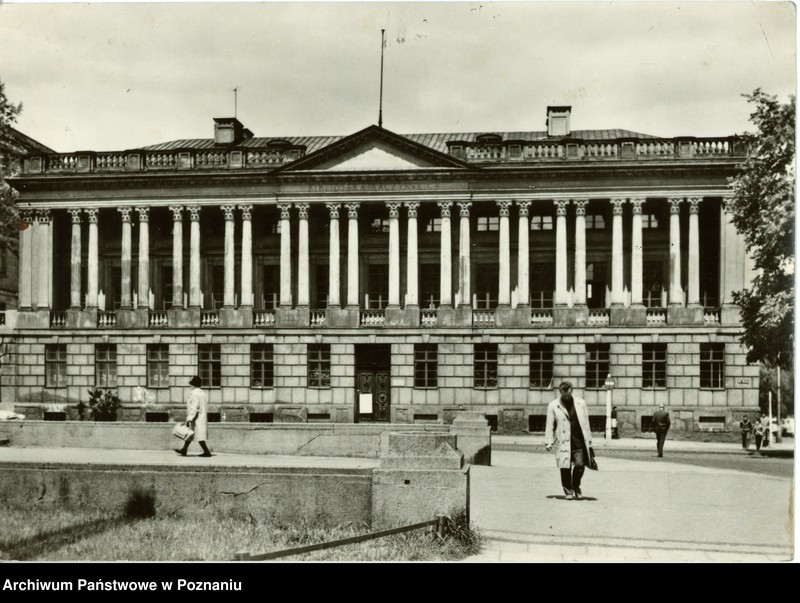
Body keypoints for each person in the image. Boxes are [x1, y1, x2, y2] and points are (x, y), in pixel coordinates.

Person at [545, 381, 592, 500]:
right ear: (560, 392)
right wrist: (549, 441)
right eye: (564, 395)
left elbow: (586, 422)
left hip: (578, 440)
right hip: (563, 440)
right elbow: (549, 424)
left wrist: (589, 439)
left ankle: (576, 486)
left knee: (580, 464)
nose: (566, 397)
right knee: (565, 467)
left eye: (568, 395)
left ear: (572, 391)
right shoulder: (553, 405)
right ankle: (568, 491)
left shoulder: (580, 403)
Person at [175, 375, 212, 457]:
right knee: (191, 433)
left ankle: (206, 451)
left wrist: (189, 418)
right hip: (201, 417)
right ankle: (184, 449)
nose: (190, 385)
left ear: (194, 385)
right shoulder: (202, 393)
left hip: (196, 418)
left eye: (191, 384)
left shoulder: (195, 394)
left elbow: (195, 407)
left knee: (197, 434)